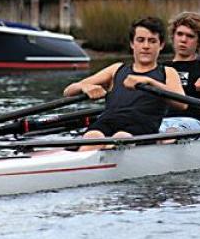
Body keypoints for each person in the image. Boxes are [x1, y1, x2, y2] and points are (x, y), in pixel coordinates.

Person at [63, 17, 186, 149]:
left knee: (121, 138)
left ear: (161, 45)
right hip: (108, 121)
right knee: (92, 137)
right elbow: (68, 92)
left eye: (152, 41)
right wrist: (84, 87)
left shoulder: (168, 72)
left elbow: (182, 104)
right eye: (140, 40)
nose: (145, 46)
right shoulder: (116, 69)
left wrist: (150, 82)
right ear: (132, 44)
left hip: (141, 127)